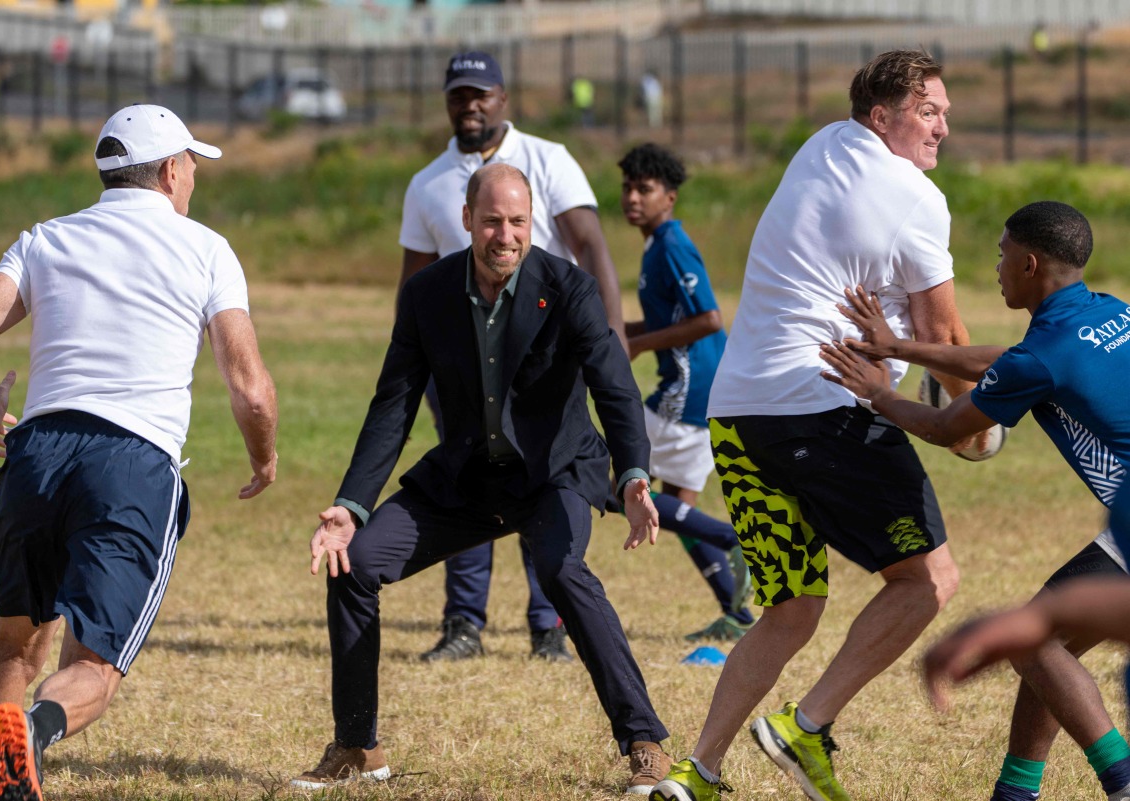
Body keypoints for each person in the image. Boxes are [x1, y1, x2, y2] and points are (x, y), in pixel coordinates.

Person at [652, 49, 973, 801]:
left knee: (792, 604)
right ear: (881, 116)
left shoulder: (821, 144)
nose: (943, 128)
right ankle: (807, 723)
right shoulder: (914, 196)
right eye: (929, 112)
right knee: (929, 579)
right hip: (819, 406)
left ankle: (696, 770)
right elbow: (947, 335)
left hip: (735, 413)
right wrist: (969, 427)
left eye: (946, 112)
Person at [292, 163, 672, 795]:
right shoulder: (427, 294)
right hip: (467, 479)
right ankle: (358, 746)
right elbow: (394, 405)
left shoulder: (569, 288)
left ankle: (645, 742)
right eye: (492, 220)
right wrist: (350, 506)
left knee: (561, 571)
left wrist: (633, 474)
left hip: (555, 475)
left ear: (532, 223)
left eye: (518, 221)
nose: (505, 235)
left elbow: (614, 384)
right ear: (467, 220)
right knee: (353, 563)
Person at [0, 104, 278, 801]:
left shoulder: (44, 239)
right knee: (95, 664)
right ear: (172, 171)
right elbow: (250, 389)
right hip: (130, 460)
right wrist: (264, 458)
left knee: (13, 645)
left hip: (37, 453)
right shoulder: (206, 248)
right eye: (192, 168)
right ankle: (34, 730)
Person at [820, 200, 1130, 801]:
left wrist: (880, 396)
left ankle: (1121, 778)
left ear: (1030, 263)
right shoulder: (1112, 313)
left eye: (1002, 253)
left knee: (1034, 639)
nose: (995, 265)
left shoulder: (1042, 356)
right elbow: (1005, 363)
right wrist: (900, 348)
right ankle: (1015, 793)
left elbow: (946, 428)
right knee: (1046, 649)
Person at [399, 50, 626, 663]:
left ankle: (547, 624)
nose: (470, 105)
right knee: (465, 481)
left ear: (502, 97)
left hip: (543, 363)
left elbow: (590, 247)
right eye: (458, 95)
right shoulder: (427, 184)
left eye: (482, 94)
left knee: (544, 482)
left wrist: (613, 338)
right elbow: (413, 284)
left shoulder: (549, 160)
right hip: (463, 371)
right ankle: (464, 624)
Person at [618, 142, 754, 642]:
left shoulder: (673, 245)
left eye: (645, 189)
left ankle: (733, 538)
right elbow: (663, 320)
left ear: (669, 197)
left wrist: (636, 344)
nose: (633, 197)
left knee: (619, 483)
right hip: (700, 388)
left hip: (689, 388)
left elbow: (708, 319)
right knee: (677, 507)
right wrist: (620, 333)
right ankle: (737, 615)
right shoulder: (655, 245)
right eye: (628, 187)